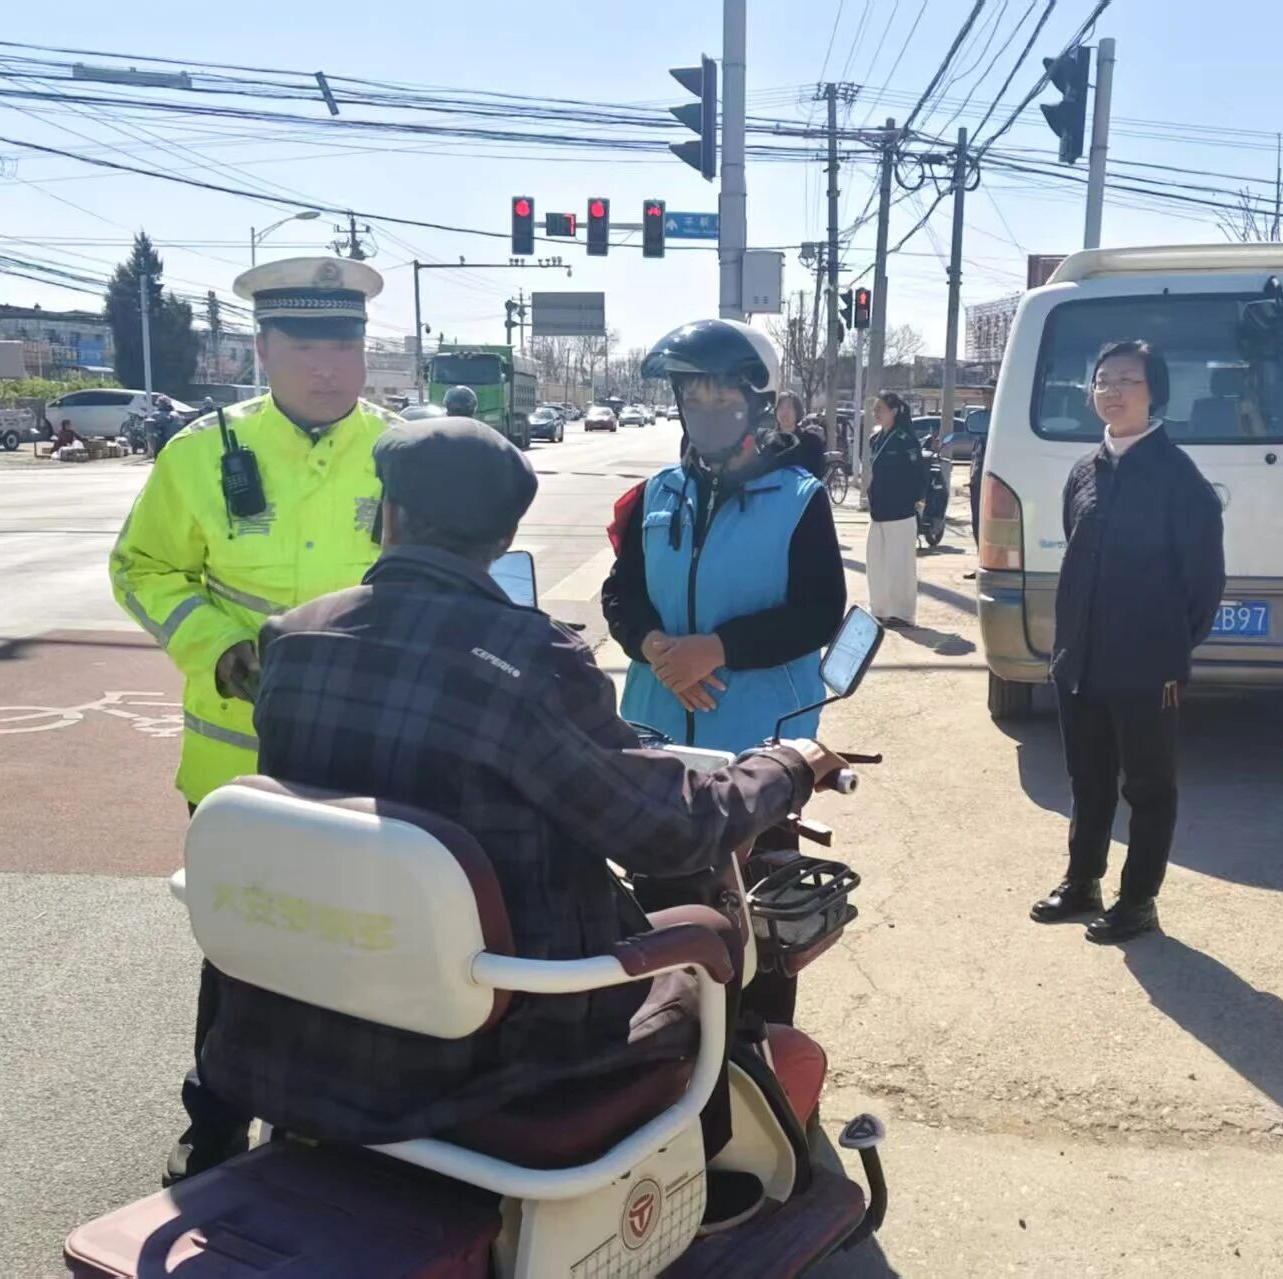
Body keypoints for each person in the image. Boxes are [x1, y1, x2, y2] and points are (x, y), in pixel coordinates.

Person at [209, 416, 848, 1232]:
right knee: (707, 945)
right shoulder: (530, 660)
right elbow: (671, 831)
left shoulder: (294, 638)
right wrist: (788, 765)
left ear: (389, 514)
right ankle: (698, 1191)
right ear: (505, 537)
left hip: (307, 1009)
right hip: (503, 1051)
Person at [107, 255, 397, 1186]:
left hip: (371, 760)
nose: (327, 365)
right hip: (239, 761)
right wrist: (221, 649)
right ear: (261, 349)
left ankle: (331, 1122)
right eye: (304, 345)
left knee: (362, 947)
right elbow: (141, 568)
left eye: (344, 344)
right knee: (241, 950)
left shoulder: (403, 453)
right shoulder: (201, 453)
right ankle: (218, 1121)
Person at [1029, 341, 1225, 944]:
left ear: (1153, 391)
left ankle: (1138, 900)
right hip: (1080, 659)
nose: (1111, 391)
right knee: (1087, 780)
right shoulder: (1083, 472)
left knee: (1148, 786)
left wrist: (1165, 646)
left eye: (1127, 380)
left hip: (1146, 665)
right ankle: (1082, 882)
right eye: (1102, 380)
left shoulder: (1179, 477)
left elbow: (1204, 581)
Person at [602, 319, 846, 754]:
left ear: (758, 404)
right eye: (693, 400)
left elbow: (819, 613)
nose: (705, 412)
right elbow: (621, 592)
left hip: (760, 742)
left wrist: (718, 650)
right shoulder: (659, 492)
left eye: (722, 400)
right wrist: (654, 647)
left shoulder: (799, 499)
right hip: (655, 733)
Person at [865, 390, 928, 627]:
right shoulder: (875, 439)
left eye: (880, 409)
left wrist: (915, 500)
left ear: (893, 411)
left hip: (900, 512)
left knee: (899, 565)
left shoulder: (905, 440)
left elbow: (919, 474)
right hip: (879, 511)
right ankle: (880, 608)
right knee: (877, 562)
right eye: (875, 409)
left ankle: (902, 613)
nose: (876, 413)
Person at [772, 388, 829, 479]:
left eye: (789, 407)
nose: (784, 412)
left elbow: (818, 473)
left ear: (797, 412)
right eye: (781, 407)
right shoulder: (768, 442)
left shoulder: (811, 441)